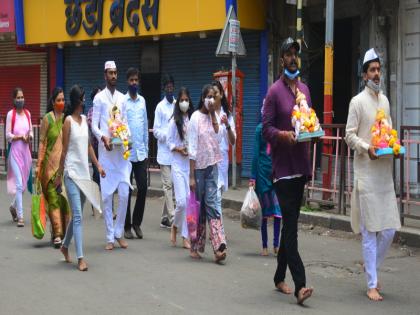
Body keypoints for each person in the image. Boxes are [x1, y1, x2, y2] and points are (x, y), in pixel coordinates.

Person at [345, 48, 401, 301]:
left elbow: (387, 131)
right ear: (364, 74)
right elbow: (349, 135)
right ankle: (372, 284)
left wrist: (395, 147)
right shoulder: (357, 102)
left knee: (389, 229)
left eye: (379, 69)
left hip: (383, 173)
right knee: (369, 231)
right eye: (372, 70)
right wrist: (367, 148)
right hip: (366, 172)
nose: (377, 74)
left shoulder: (385, 101)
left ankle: (371, 269)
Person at [262, 37, 314, 304]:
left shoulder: (304, 88)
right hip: (282, 170)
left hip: (300, 167)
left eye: (296, 54)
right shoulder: (274, 92)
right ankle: (300, 285)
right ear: (281, 59)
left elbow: (309, 121)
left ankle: (278, 277)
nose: (293, 58)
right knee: (291, 227)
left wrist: (313, 133)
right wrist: (284, 135)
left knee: (289, 227)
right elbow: (266, 129)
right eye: (288, 54)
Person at [57, 84, 104, 271]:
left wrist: (98, 165)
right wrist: (59, 176)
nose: (85, 101)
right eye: (83, 98)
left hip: (84, 174)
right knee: (77, 215)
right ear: (77, 100)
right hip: (71, 173)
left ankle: (64, 246)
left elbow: (89, 147)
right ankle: (81, 258)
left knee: (77, 215)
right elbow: (64, 151)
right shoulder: (67, 121)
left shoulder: (85, 120)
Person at [92, 61, 132, 250]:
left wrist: (127, 139)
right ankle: (109, 236)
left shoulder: (123, 98)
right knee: (107, 196)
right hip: (106, 154)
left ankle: (119, 232)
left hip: (121, 154)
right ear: (105, 75)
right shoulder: (99, 98)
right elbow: (94, 126)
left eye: (116, 73)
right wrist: (103, 139)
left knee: (124, 193)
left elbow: (124, 122)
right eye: (111, 73)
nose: (114, 76)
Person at [188, 84, 227, 262]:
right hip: (198, 169)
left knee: (212, 205)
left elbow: (218, 136)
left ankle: (219, 246)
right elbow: (192, 147)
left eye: (213, 96)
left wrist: (213, 114)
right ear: (203, 97)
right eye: (208, 96)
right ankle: (195, 245)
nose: (211, 99)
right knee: (200, 209)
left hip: (212, 167)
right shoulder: (195, 118)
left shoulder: (215, 116)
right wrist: (191, 175)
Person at [36, 87, 70, 247]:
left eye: (63, 100)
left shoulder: (66, 120)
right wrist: (39, 165)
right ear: (52, 102)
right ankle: (57, 234)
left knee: (63, 201)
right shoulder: (47, 119)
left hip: (62, 169)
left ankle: (62, 232)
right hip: (48, 169)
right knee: (53, 200)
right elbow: (42, 144)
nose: (61, 103)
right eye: (58, 100)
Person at [249, 104, 282, 256]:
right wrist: (253, 176)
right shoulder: (259, 130)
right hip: (262, 176)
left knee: (277, 212)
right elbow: (256, 154)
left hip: (276, 174)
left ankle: (276, 244)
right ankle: (264, 245)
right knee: (264, 213)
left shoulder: (277, 131)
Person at [123, 68, 148, 240]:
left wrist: (146, 149)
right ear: (127, 82)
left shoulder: (142, 101)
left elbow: (145, 125)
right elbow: (120, 125)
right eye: (131, 80)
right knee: (126, 190)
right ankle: (126, 226)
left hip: (141, 153)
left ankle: (137, 223)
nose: (134, 83)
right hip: (127, 154)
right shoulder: (122, 102)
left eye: (136, 80)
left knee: (143, 187)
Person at [167, 87, 194, 249]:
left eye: (186, 100)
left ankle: (185, 235)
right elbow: (169, 142)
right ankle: (175, 226)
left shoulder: (192, 119)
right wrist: (179, 149)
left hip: (189, 165)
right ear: (178, 102)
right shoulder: (173, 121)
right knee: (182, 202)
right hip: (177, 164)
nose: (184, 103)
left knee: (189, 201)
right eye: (182, 100)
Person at [6, 87, 33, 227]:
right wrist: (19, 137)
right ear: (14, 99)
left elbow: (31, 131)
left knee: (22, 186)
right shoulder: (11, 114)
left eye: (22, 97)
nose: (21, 100)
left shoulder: (27, 114)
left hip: (26, 154)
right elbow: (8, 135)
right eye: (18, 97)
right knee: (18, 183)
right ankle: (21, 216)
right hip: (15, 153)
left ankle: (13, 206)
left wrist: (29, 137)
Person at [153, 74, 176, 228]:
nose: (169, 89)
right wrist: (166, 136)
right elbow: (155, 130)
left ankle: (164, 218)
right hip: (164, 153)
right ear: (163, 88)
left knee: (173, 185)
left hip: (176, 153)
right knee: (167, 185)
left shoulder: (177, 104)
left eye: (171, 86)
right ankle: (173, 217)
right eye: (166, 86)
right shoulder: (160, 107)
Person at [211, 80, 236, 216]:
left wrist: (227, 125)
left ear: (221, 94)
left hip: (222, 160)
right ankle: (216, 230)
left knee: (218, 195)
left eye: (216, 93)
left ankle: (217, 230)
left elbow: (232, 141)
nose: (213, 97)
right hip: (208, 159)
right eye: (211, 95)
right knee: (212, 196)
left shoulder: (228, 115)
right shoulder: (206, 114)